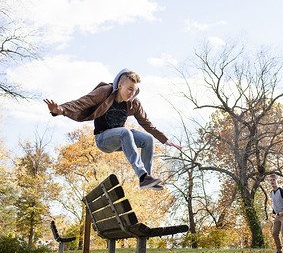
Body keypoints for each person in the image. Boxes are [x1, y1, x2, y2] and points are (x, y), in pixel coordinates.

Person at [44, 68, 181, 190]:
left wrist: (164, 139)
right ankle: (142, 176)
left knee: (147, 139)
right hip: (103, 140)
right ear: (120, 86)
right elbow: (82, 102)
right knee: (125, 132)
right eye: (129, 89)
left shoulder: (134, 103)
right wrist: (60, 110)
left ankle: (147, 179)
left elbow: (146, 123)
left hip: (121, 139)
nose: (132, 94)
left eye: (134, 91)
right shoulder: (104, 92)